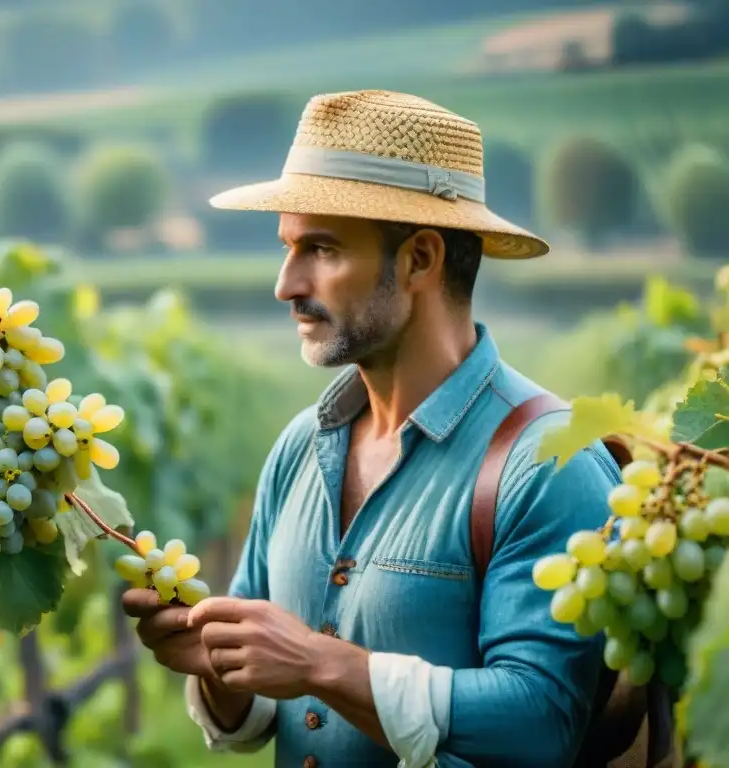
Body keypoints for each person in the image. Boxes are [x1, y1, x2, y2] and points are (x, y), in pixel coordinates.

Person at [121, 90, 620, 768]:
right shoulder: (301, 446)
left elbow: (539, 725)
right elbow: (271, 711)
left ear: (420, 259)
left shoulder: (548, 463)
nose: (286, 284)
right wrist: (215, 665)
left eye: (320, 249)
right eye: (288, 249)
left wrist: (320, 663)